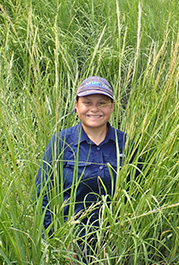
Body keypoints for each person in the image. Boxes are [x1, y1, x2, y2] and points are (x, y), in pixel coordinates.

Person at [36, 76, 137, 259]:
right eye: (87, 102)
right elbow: (43, 193)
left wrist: (127, 242)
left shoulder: (126, 144)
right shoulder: (62, 142)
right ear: (77, 105)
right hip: (69, 244)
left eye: (102, 103)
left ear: (112, 106)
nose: (94, 109)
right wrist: (54, 241)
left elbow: (138, 194)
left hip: (116, 246)